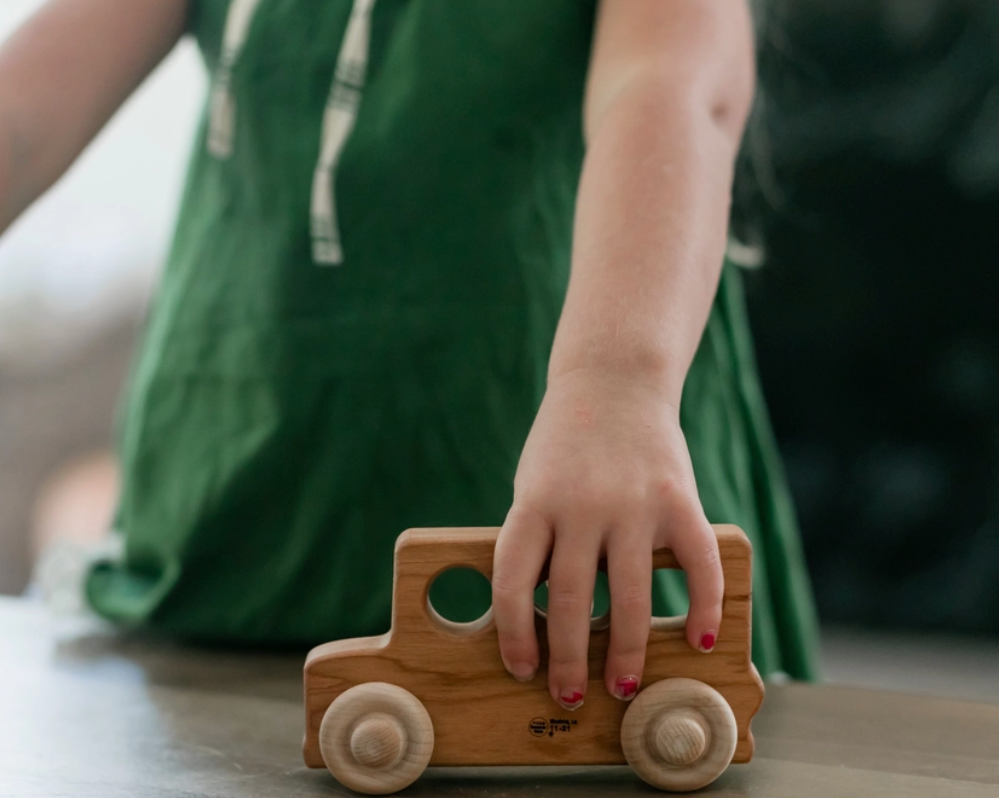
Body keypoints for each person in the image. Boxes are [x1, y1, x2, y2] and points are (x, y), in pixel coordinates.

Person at [1, 0, 819, 711]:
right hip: (241, 514)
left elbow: (675, 90)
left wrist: (614, 385)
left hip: (565, 508)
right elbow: (25, 115)